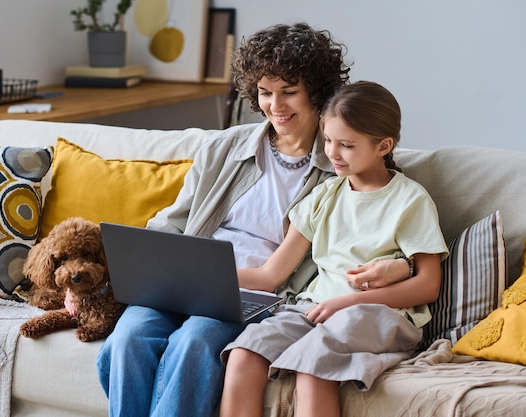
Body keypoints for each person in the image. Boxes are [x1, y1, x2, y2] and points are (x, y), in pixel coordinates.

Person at [91, 24, 411, 417]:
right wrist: (139, 266)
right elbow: (174, 223)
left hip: (259, 294)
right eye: (264, 92)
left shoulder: (342, 167)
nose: (275, 105)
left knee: (195, 340)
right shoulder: (224, 147)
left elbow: (380, 223)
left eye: (289, 92)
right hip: (185, 278)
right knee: (129, 339)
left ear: (318, 91)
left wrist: (400, 266)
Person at [219, 81, 450, 417]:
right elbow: (271, 274)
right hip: (316, 309)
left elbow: (428, 284)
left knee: (313, 363)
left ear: (383, 145)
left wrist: (350, 300)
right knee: (244, 354)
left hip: (379, 315)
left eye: (347, 145)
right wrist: (204, 276)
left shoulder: (409, 200)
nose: (333, 153)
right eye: (328, 140)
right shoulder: (324, 197)